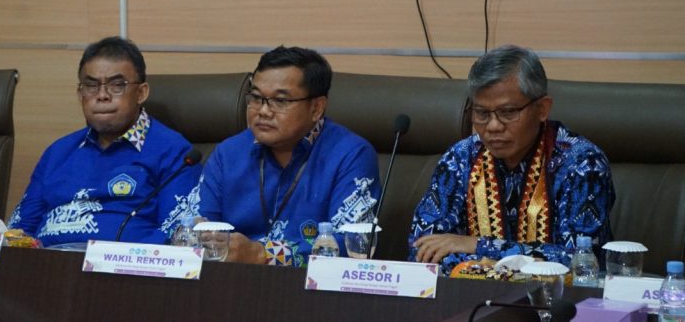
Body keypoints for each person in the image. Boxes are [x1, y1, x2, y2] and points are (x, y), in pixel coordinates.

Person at [409, 45, 614, 274]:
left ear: (542, 109)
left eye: (508, 112)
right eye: (482, 113)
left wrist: (478, 245)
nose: (493, 126)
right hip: (469, 294)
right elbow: (424, 249)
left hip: (554, 296)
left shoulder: (583, 164)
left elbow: (581, 261)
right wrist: (508, 264)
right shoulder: (460, 158)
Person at [192, 46, 380, 267]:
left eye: (280, 101)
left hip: (308, 286)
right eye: (256, 97)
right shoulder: (228, 153)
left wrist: (264, 254)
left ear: (316, 108)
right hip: (231, 280)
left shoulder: (351, 155)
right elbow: (194, 228)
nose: (263, 111)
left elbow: (354, 245)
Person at [7, 36, 199, 246]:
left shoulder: (174, 153)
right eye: (91, 86)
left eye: (117, 85)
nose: (102, 95)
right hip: (48, 263)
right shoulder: (58, 152)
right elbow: (20, 228)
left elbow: (177, 233)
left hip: (124, 265)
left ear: (141, 92)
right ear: (80, 94)